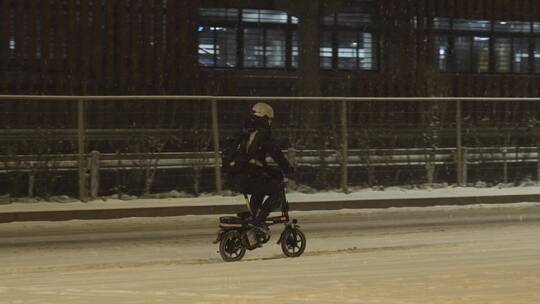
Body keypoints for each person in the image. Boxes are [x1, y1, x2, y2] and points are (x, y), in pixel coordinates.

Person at [223, 102, 294, 229]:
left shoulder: (246, 131)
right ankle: (260, 221)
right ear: (265, 118)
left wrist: (272, 171)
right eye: (270, 120)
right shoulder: (263, 134)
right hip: (247, 177)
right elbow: (277, 155)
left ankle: (253, 216)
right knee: (277, 191)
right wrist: (288, 169)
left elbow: (253, 158)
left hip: (236, 177)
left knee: (261, 186)